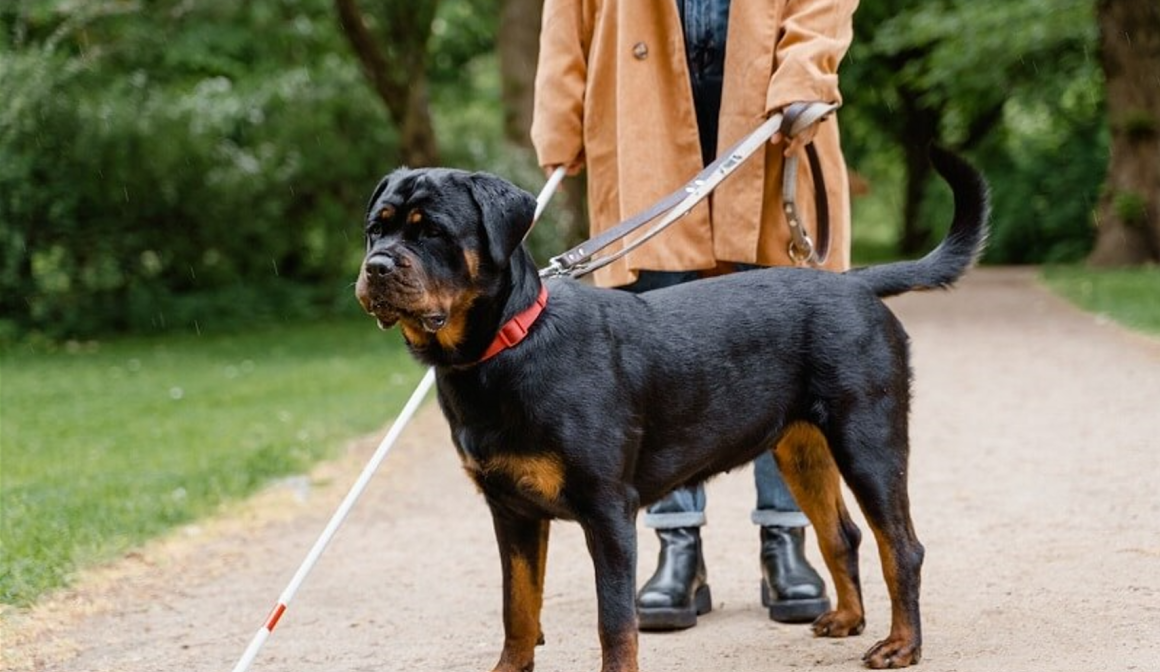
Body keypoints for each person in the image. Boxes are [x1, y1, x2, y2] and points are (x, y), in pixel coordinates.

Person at [531, 0, 858, 631]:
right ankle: (677, 546)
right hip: (638, 116)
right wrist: (560, 125)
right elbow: (566, 21)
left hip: (771, 121)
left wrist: (804, 75)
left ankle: (785, 541)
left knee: (783, 345)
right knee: (651, 350)